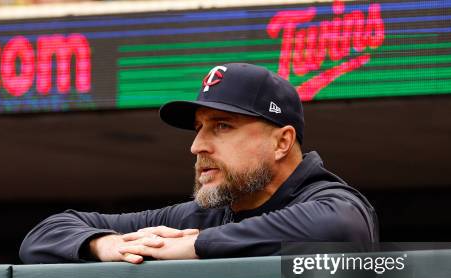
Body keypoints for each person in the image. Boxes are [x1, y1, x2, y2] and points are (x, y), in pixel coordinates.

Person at [19, 62, 378, 265]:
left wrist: (197, 245)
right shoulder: (190, 220)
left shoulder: (328, 201)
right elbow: (45, 234)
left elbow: (341, 228)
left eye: (222, 126)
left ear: (281, 142)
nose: (197, 146)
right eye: (198, 128)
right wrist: (107, 244)